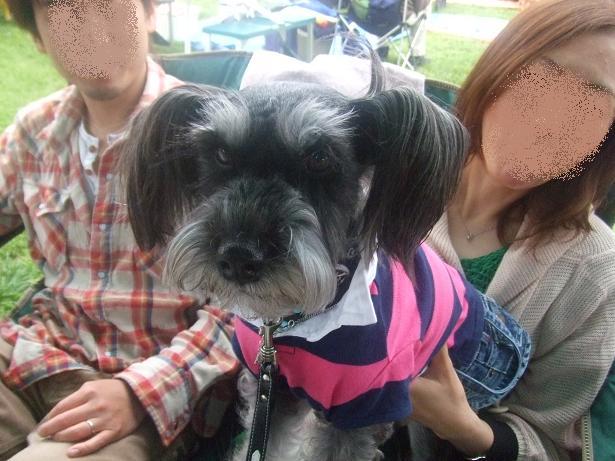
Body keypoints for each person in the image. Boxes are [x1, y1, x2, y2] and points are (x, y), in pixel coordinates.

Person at [0, 1, 239, 460]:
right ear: (37, 37)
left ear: (149, 13)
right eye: (65, 12)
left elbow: (249, 311)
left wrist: (139, 392)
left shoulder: (216, 139)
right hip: (35, 353)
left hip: (145, 391)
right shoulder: (33, 132)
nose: (92, 30)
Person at [406, 0, 615, 460]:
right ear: (503, 64)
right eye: (545, 79)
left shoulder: (596, 271)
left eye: (591, 105)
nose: (551, 122)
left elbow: (549, 441)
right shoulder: (392, 173)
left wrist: (460, 426)